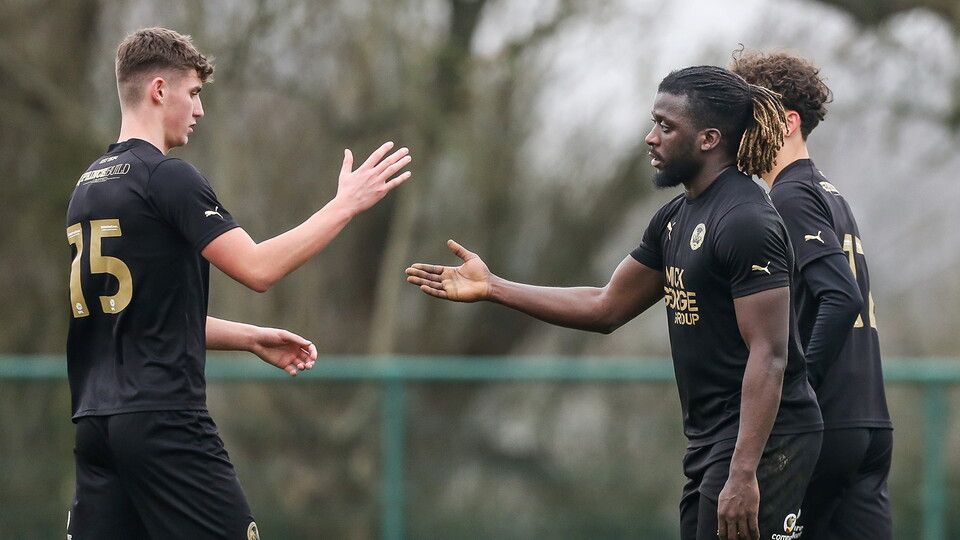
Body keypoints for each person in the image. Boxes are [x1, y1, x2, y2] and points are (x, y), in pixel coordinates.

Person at [406, 65, 823, 540]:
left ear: (708, 139)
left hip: (767, 441)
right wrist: (493, 287)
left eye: (666, 126)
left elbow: (769, 355)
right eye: (653, 122)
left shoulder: (746, 221)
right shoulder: (675, 217)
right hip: (714, 442)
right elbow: (606, 306)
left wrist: (745, 472)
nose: (650, 137)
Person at [64, 27, 411, 539]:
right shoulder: (167, 176)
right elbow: (258, 269)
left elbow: (139, 318)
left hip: (96, 426)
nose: (199, 110)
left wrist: (250, 337)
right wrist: (345, 205)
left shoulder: (88, 187)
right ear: (159, 90)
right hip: (164, 421)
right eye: (193, 93)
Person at [732, 50, 893, 539]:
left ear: (788, 122)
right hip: (869, 424)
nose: (738, 133)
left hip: (823, 425)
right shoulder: (829, 193)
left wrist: (794, 389)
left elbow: (840, 298)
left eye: (748, 118)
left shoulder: (790, 195)